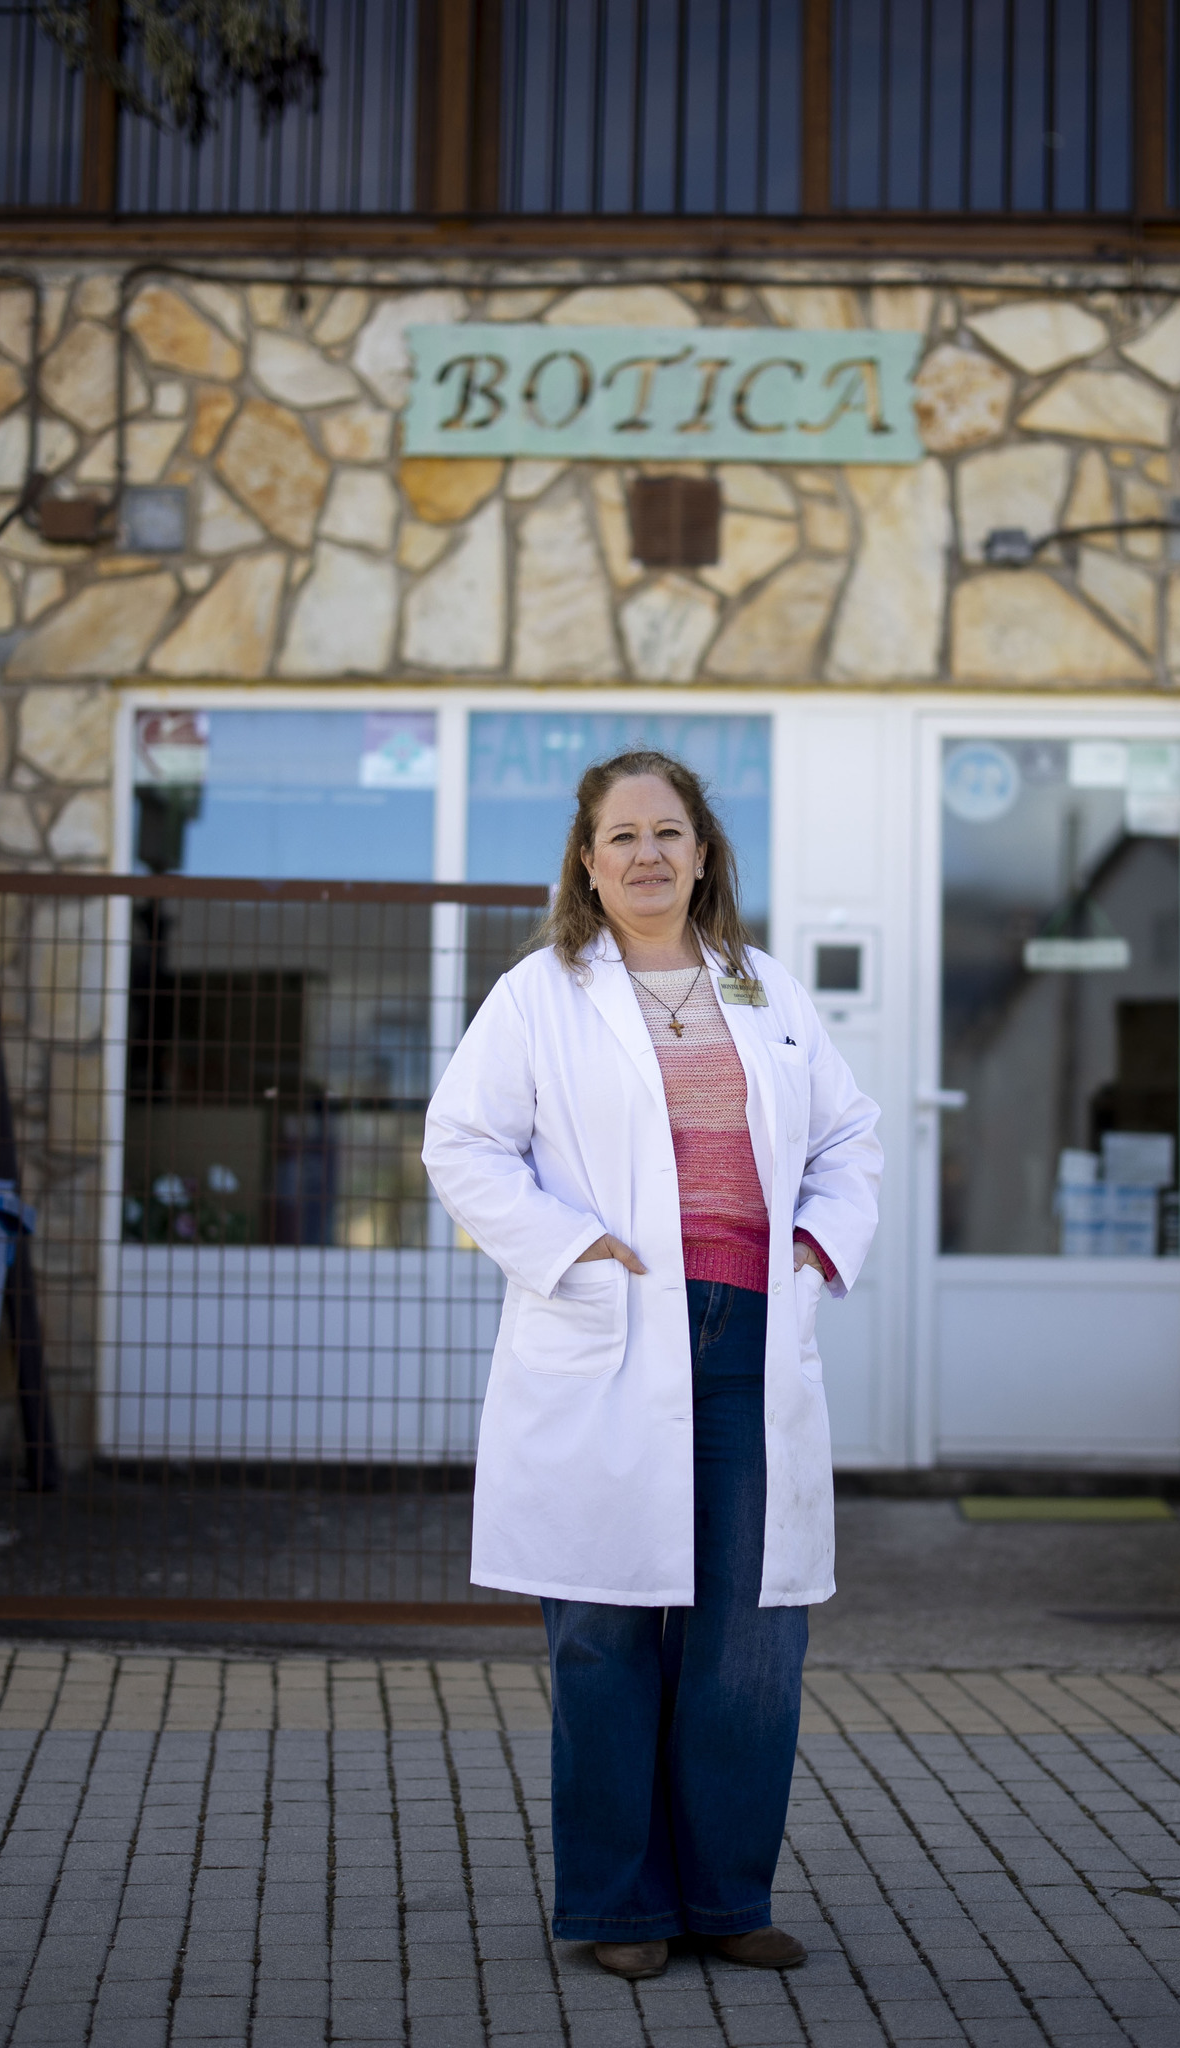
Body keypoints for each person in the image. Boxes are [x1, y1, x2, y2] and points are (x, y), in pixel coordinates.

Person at [423, 749, 884, 1982]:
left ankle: (727, 1895)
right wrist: (571, 1247)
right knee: (604, 1627)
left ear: (702, 852)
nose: (646, 854)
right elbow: (462, 1143)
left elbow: (850, 1138)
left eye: (668, 832)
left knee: (750, 1633)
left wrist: (813, 1244)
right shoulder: (539, 994)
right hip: (614, 1329)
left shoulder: (764, 987)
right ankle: (618, 1902)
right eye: (621, 835)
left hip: (749, 1336)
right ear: (587, 861)